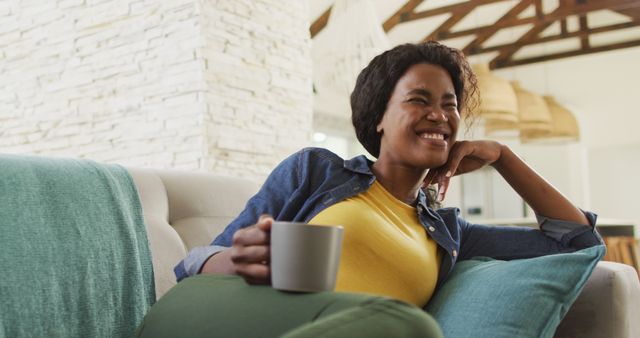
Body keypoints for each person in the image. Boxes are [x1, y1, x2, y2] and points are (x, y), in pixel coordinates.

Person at [139, 41, 603, 338]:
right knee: (408, 327)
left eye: (450, 105)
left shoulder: (449, 234)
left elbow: (577, 241)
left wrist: (503, 157)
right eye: (419, 100)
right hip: (237, 319)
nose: (440, 115)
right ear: (378, 116)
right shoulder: (315, 172)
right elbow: (193, 267)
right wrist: (237, 259)